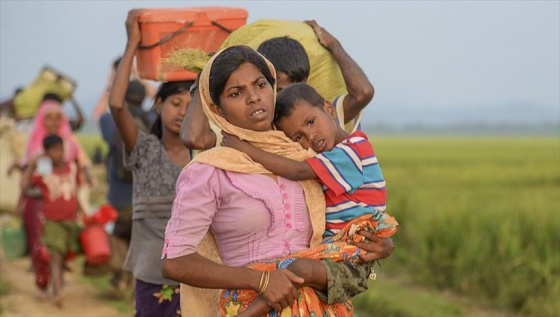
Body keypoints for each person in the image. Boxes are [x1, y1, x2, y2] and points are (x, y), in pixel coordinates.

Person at [162, 44, 394, 317]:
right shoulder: (210, 170)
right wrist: (259, 280)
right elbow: (175, 263)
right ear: (218, 109)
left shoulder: (305, 151)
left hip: (320, 307)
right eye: (236, 93)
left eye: (260, 85)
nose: (254, 98)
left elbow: (355, 209)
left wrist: (382, 244)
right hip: (252, 306)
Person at [221, 82, 399, 316]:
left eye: (311, 122)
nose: (310, 137)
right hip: (339, 250)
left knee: (296, 269)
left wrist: (242, 147)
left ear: (329, 108)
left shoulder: (352, 149)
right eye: (298, 137)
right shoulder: (331, 156)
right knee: (283, 273)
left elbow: (298, 171)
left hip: (351, 250)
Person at [108, 9, 195, 317]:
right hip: (151, 275)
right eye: (175, 103)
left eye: (191, 104)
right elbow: (117, 105)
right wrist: (133, 41)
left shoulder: (206, 158)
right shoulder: (144, 150)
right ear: (158, 105)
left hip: (197, 277)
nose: (183, 111)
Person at [181, 19, 374, 150]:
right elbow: (194, 138)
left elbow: (363, 93)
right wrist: (204, 76)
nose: (292, 96)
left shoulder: (319, 118)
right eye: (280, 90)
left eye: (299, 87)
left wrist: (333, 45)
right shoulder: (253, 128)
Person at [13, 100, 91, 302]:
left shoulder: (69, 144)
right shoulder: (33, 143)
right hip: (37, 203)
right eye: (49, 117)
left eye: (58, 117)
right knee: (41, 247)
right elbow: (26, 178)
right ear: (42, 118)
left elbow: (74, 179)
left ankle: (57, 282)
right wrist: (20, 202)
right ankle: (44, 284)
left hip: (63, 207)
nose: (54, 121)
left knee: (60, 251)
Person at [96, 79, 151, 299]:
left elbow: (100, 113)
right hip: (146, 195)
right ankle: (138, 285)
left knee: (119, 239)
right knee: (141, 240)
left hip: (119, 197)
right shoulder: (154, 119)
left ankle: (120, 279)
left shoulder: (111, 121)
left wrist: (110, 88)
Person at [19, 134, 84, 308]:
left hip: (70, 220)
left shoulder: (72, 168)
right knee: (55, 255)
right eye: (54, 150)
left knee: (63, 255)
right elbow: (25, 186)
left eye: (61, 149)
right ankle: (57, 291)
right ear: (46, 153)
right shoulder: (44, 173)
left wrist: (84, 213)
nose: (59, 153)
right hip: (52, 220)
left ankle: (58, 283)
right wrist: (33, 164)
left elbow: (75, 192)